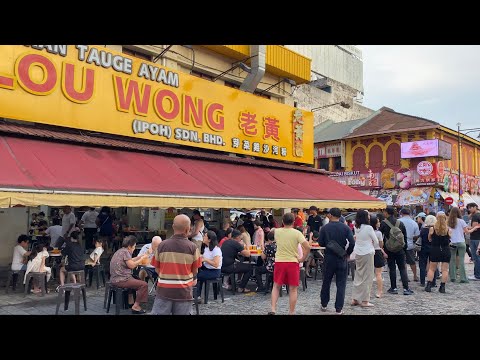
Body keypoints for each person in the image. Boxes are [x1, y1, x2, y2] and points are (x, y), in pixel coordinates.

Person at [150, 214, 202, 315]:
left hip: (164, 291)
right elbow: (195, 271)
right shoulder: (193, 248)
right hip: (183, 293)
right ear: (188, 229)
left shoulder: (162, 245)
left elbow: (156, 269)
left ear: (173, 227)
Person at [269, 212, 310, 315]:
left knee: (276, 286)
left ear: (282, 221)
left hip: (279, 262)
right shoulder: (297, 233)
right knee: (293, 289)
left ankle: (273, 309)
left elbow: (270, 235)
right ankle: (291, 312)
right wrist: (302, 258)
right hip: (292, 262)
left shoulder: (277, 232)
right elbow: (307, 247)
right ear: (293, 222)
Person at [318, 208, 354, 315]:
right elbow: (352, 243)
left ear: (331, 215)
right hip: (341, 257)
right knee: (341, 284)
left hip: (329, 257)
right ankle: (338, 309)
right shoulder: (346, 228)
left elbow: (320, 243)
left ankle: (324, 304)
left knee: (326, 282)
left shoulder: (325, 228)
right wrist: (347, 253)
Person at [110, 235, 150, 314]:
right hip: (121, 279)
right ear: (129, 246)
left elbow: (130, 261)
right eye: (134, 246)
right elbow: (132, 265)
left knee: (136, 280)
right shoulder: (125, 252)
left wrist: (139, 257)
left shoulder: (120, 251)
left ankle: (131, 302)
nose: (134, 248)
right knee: (143, 284)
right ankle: (136, 306)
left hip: (115, 278)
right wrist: (141, 259)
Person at [380, 206, 414, 295]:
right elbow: (404, 237)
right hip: (400, 249)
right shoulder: (400, 223)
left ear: (387, 213)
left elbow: (381, 236)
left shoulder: (383, 223)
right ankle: (406, 288)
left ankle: (393, 288)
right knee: (402, 268)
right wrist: (404, 248)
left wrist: (383, 249)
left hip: (389, 249)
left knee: (392, 268)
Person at [351, 210, 377, 307]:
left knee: (359, 275)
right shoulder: (369, 228)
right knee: (368, 276)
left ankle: (355, 298)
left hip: (358, 252)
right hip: (368, 252)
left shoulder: (356, 227)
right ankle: (365, 300)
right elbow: (376, 240)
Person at [448, 207, 479, 283]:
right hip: (461, 242)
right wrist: (475, 228)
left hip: (452, 242)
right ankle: (463, 278)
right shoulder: (461, 221)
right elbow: (467, 232)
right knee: (461, 260)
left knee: (452, 260)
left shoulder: (448, 222)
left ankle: (453, 277)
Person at [425, 212, 452, 293]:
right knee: (445, 270)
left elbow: (429, 239)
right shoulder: (448, 229)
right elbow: (450, 239)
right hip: (445, 249)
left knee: (432, 269)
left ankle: (429, 285)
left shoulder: (432, 228)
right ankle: (442, 286)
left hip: (435, 249)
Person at [196, 230, 222, 298]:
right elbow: (205, 257)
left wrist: (205, 260)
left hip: (214, 271)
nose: (203, 237)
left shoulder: (216, 250)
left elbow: (216, 264)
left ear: (209, 240)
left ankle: (196, 296)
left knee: (197, 277)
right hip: (206, 268)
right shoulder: (207, 248)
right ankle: (197, 295)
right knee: (196, 272)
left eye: (205, 236)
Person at [398, 208, 420, 282]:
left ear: (401, 213)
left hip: (400, 244)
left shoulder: (398, 221)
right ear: (410, 213)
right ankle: (415, 276)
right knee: (412, 261)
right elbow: (417, 234)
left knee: (402, 261)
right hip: (410, 244)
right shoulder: (414, 222)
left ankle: (404, 276)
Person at [418, 215, 437, 287]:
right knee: (433, 266)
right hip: (433, 248)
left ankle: (422, 281)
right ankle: (433, 281)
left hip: (423, 248)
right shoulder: (435, 230)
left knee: (422, 265)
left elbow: (420, 238)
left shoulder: (423, 230)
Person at [371, 215, 387, 298]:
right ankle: (380, 292)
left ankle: (367, 292)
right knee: (378, 274)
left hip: (368, 252)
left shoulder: (367, 231)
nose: (379, 223)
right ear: (375, 224)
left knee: (368, 274)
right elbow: (381, 244)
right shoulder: (378, 233)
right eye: (378, 222)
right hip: (377, 252)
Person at [466, 203, 480, 281]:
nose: (469, 209)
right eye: (468, 208)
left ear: (475, 207)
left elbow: (474, 227)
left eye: (471, 208)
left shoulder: (475, 216)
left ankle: (477, 275)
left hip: (475, 238)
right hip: (478, 238)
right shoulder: (477, 215)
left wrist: (467, 228)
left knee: (476, 257)